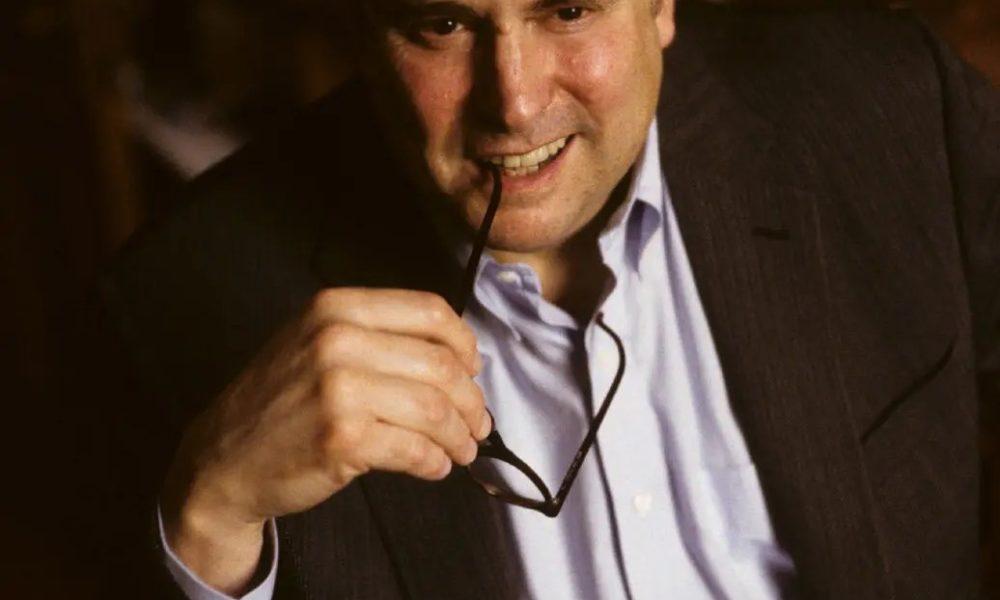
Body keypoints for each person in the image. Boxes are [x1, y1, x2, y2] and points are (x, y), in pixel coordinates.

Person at [99, 0, 999, 598]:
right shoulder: (183, 292)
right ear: (365, 32)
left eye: (567, 9)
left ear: (660, 5)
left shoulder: (893, 106)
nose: (517, 103)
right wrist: (208, 524)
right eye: (443, 23)